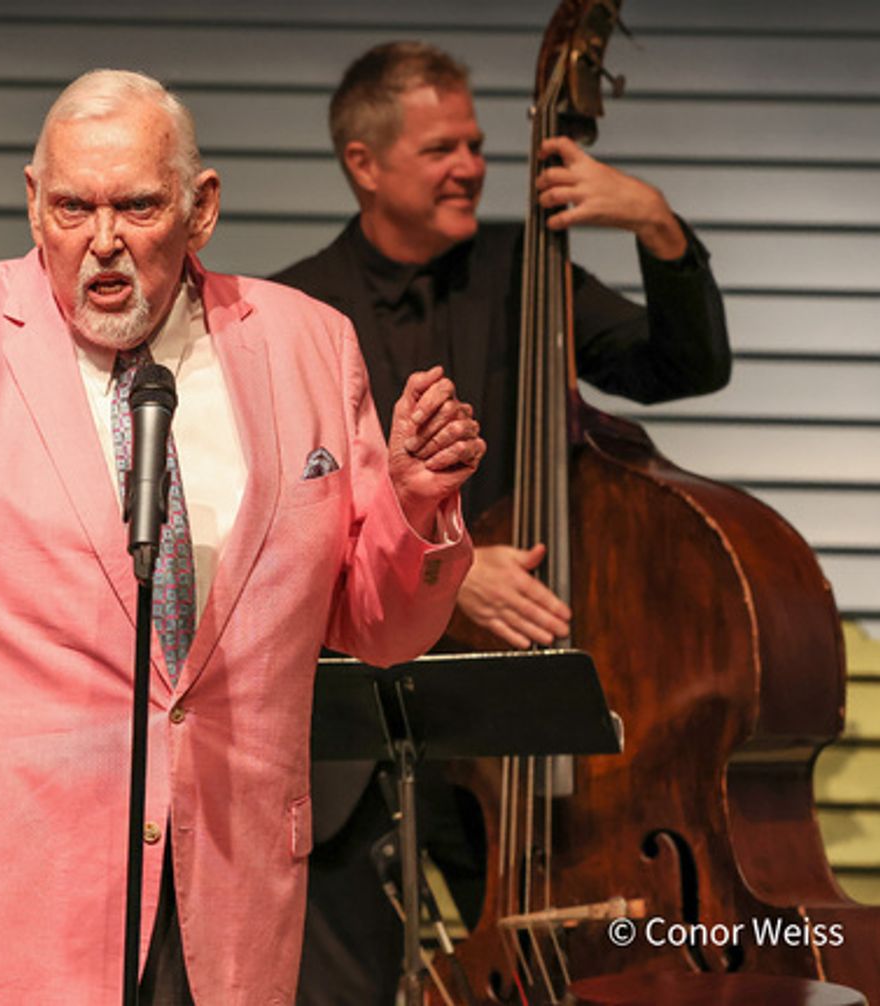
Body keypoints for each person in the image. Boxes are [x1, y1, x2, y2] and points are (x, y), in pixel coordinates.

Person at [0, 69, 485, 1004]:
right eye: (74, 207)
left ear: (201, 209)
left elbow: (379, 624)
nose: (104, 240)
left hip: (220, 915)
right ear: (33, 204)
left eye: (138, 205)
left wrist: (414, 504)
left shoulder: (306, 345)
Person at [272, 42, 731, 1003]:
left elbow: (680, 368)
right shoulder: (298, 309)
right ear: (364, 163)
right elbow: (280, 518)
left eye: (477, 144)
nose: (474, 166)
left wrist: (657, 225)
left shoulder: (528, 267)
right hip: (364, 733)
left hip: (519, 737)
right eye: (443, 148)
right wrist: (452, 567)